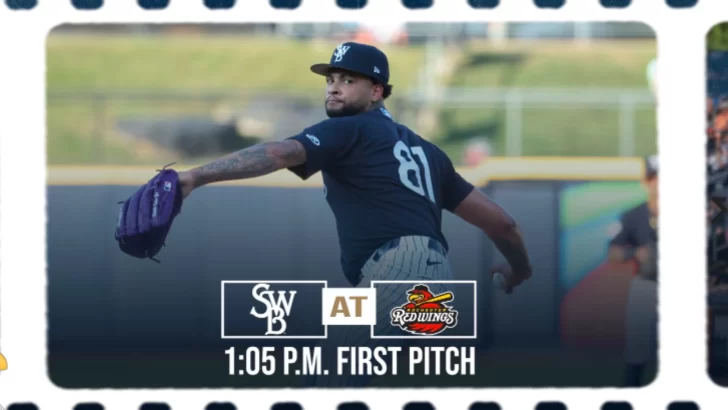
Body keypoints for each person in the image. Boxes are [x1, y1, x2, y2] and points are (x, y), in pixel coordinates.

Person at [176, 42, 533, 385]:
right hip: (430, 281)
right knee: (325, 372)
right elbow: (503, 224)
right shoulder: (428, 153)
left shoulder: (349, 128)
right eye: (330, 79)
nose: (334, 88)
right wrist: (519, 270)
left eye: (348, 80)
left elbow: (278, 153)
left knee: (327, 380)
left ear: (376, 91)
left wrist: (195, 176)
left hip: (399, 271)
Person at [607, 155, 659, 387]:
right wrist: (635, 253)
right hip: (647, 285)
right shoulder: (634, 215)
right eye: (654, 178)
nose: (659, 183)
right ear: (646, 182)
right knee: (636, 354)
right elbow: (613, 253)